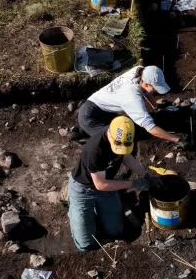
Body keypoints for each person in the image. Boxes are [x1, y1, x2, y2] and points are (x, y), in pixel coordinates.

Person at [68, 116, 158, 251]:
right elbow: (100, 185)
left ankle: (94, 213)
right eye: (118, 146)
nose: (120, 149)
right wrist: (133, 183)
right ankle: (75, 210)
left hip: (106, 187)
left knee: (116, 231)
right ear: (109, 133)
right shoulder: (96, 149)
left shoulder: (123, 136)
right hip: (84, 190)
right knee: (86, 244)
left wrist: (146, 175)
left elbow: (126, 157)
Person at [71, 65, 189, 148]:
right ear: (145, 83)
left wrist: (156, 107)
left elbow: (145, 91)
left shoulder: (139, 70)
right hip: (90, 117)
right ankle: (84, 138)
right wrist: (176, 139)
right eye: (155, 87)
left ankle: (87, 131)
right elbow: (150, 128)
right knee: (120, 141)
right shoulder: (131, 97)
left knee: (127, 126)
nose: (156, 90)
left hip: (101, 110)